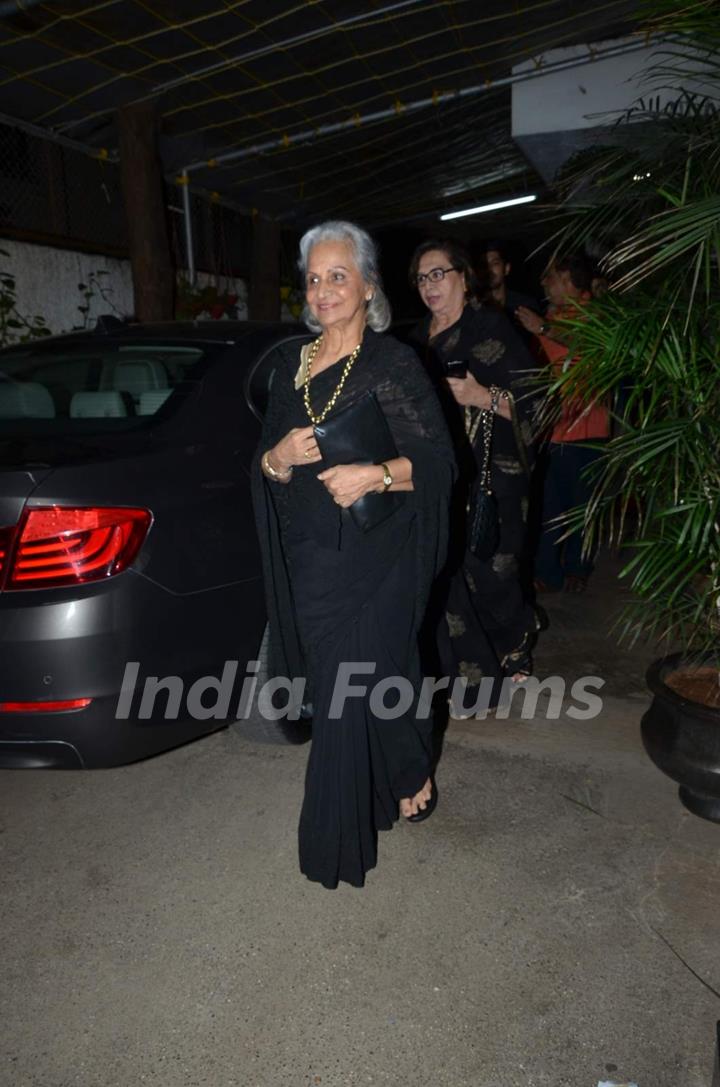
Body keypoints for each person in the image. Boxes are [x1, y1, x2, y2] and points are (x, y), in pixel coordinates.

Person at [252, 221, 455, 889]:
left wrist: (375, 474)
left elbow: (438, 462)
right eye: (314, 277)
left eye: (338, 275)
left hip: (380, 555)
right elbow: (266, 466)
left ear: (368, 285)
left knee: (357, 686)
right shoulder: (291, 365)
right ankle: (405, 768)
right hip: (314, 558)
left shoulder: (392, 363)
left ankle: (335, 841)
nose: (324, 288)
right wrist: (276, 459)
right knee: (364, 685)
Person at [409, 238, 539, 717]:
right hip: (438, 479)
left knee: (492, 569)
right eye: (422, 278)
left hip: (494, 476)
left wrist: (481, 395)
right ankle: (469, 679)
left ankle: (512, 648)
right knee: (447, 576)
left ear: (463, 277)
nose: (430, 286)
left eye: (438, 274)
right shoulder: (415, 340)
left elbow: (537, 405)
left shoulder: (492, 329)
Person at [516, 253, 610, 593]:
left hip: (587, 430)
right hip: (554, 429)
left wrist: (542, 328)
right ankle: (547, 572)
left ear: (570, 283)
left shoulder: (596, 314)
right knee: (549, 505)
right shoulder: (553, 315)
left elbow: (589, 344)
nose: (545, 283)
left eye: (551, 278)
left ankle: (577, 569)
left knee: (581, 507)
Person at [483, 240, 541, 322]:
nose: (489, 269)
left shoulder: (525, 305)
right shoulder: (474, 308)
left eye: (495, 263)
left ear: (506, 268)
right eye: (484, 265)